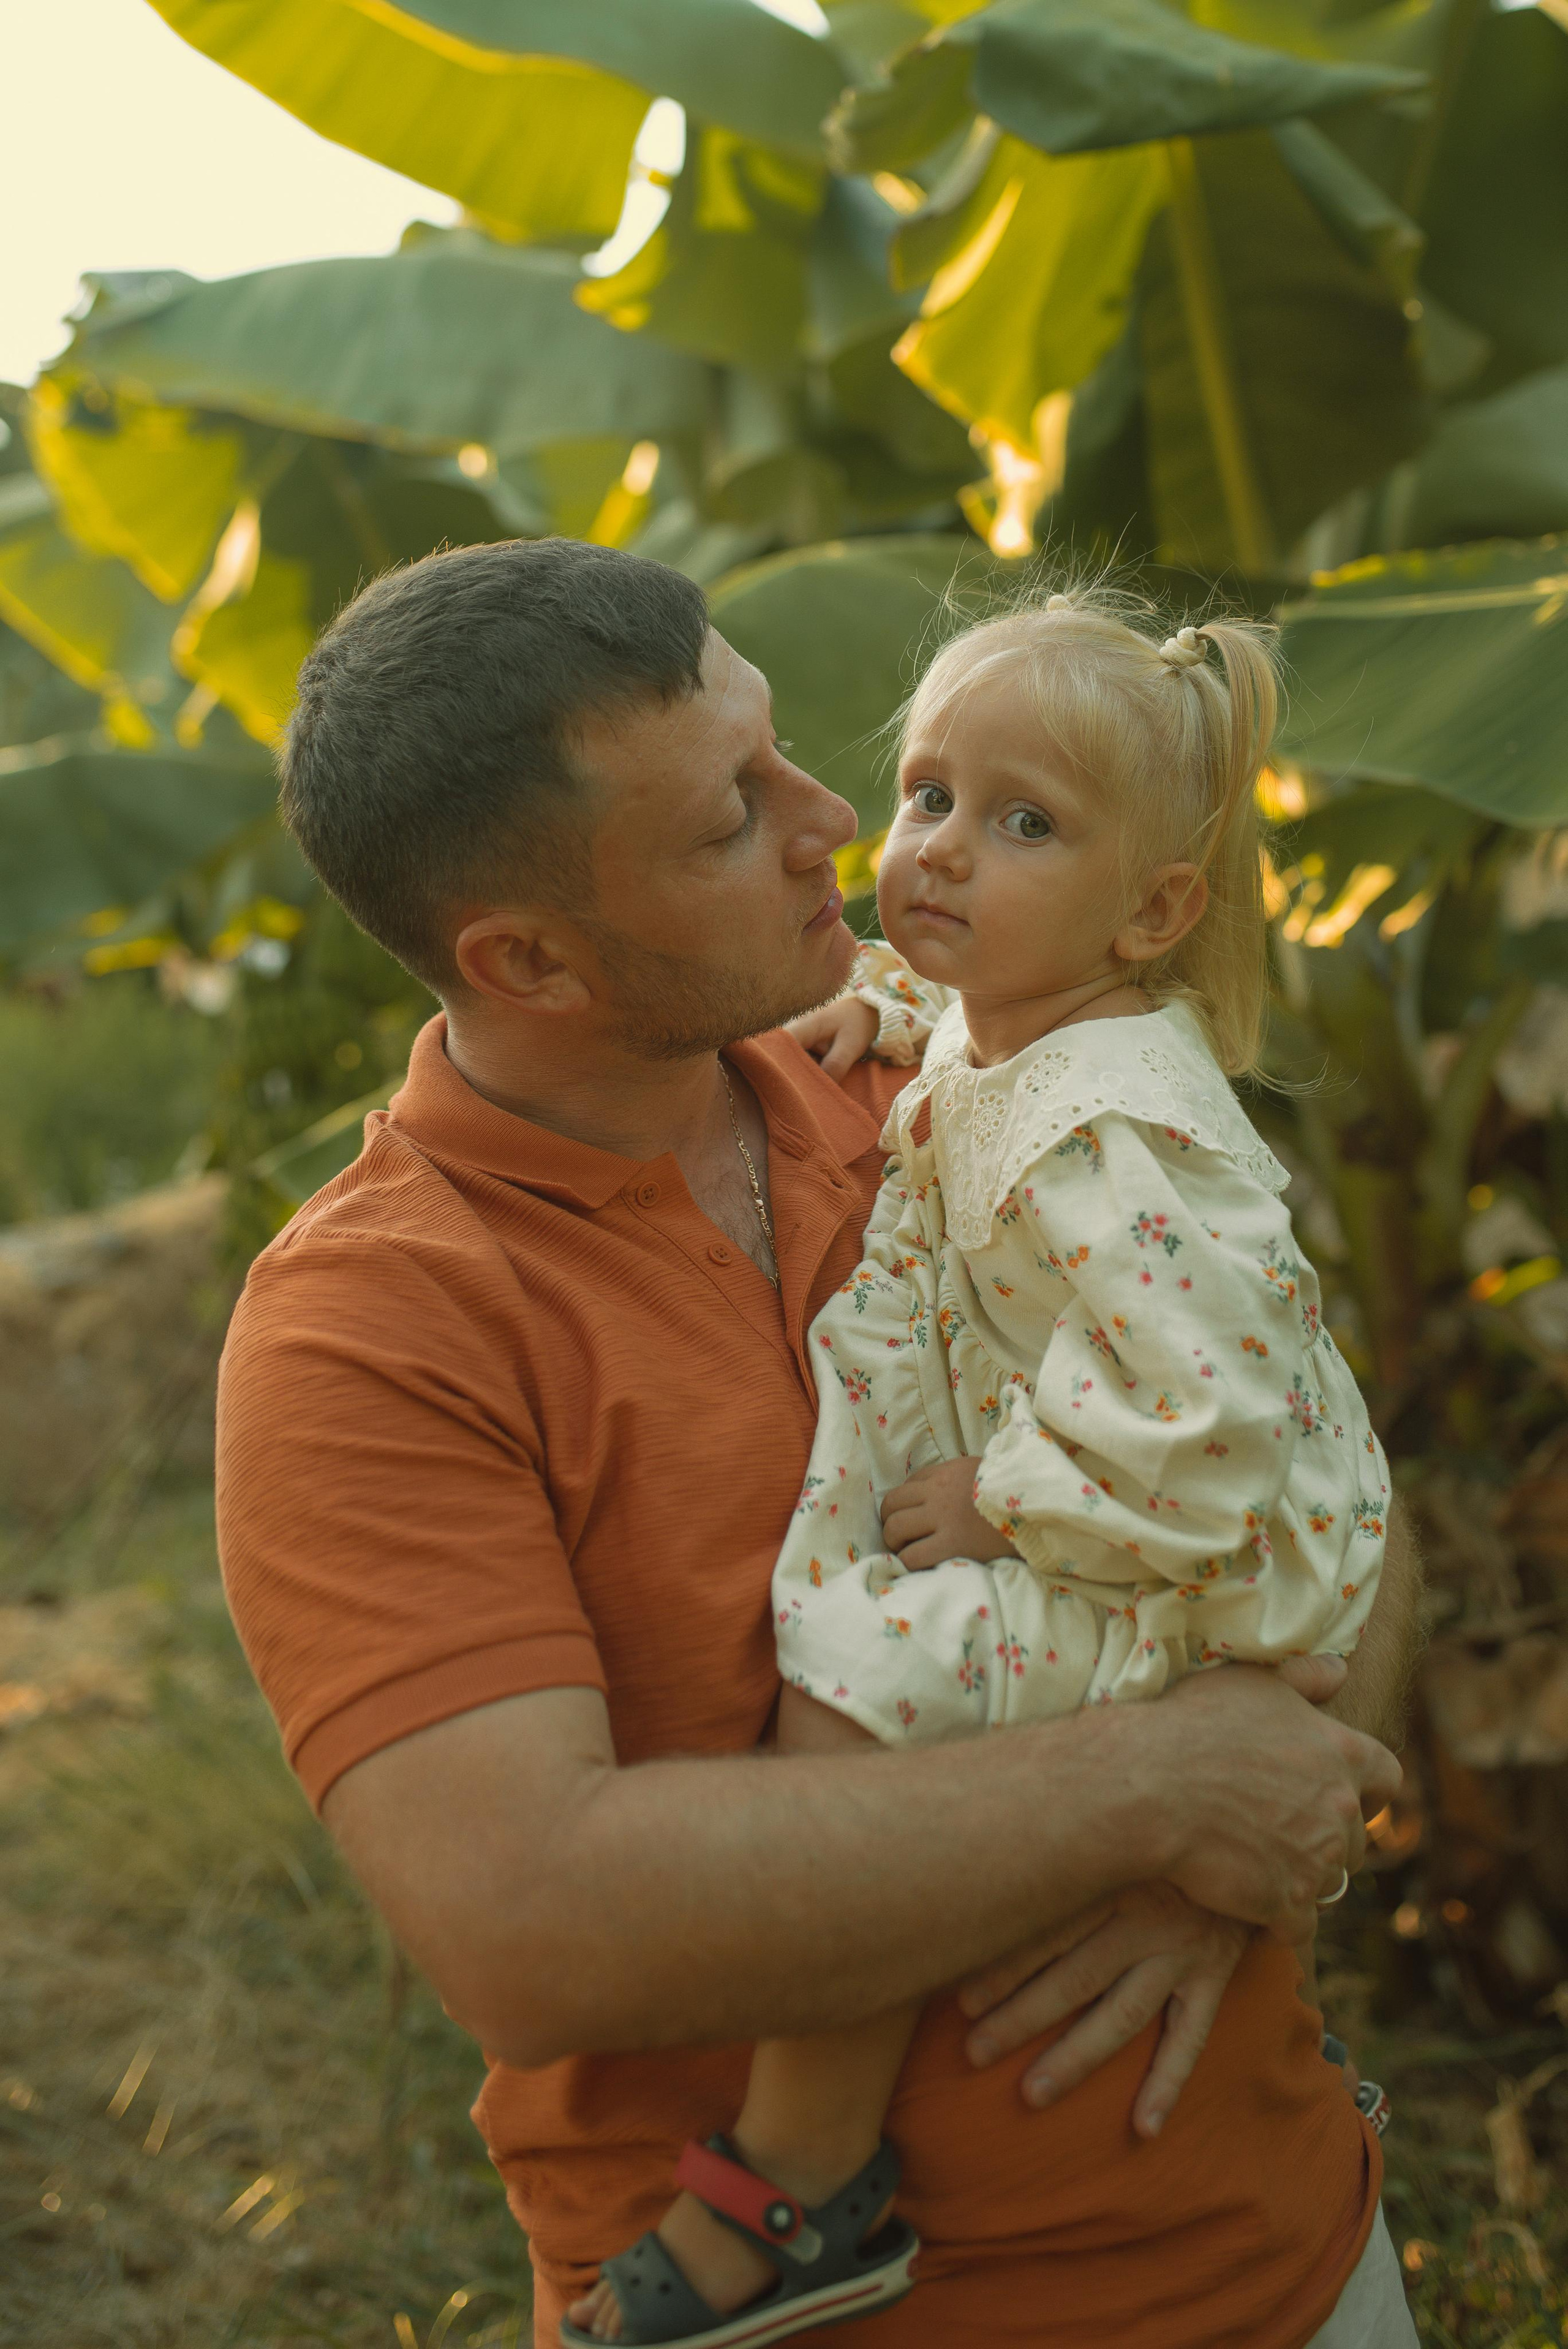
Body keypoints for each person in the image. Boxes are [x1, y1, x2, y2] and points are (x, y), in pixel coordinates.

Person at [215, 538, 1415, 2349]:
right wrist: (1163, 1787)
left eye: (781, 750)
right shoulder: (369, 1331)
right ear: (526, 953)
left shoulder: (968, 1065)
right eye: (729, 822)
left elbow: (1333, 1477)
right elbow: (536, 1920)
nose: (839, 822)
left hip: (1285, 2260)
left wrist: (1255, 1830)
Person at [562, 587, 1400, 2348]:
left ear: (1156, 910)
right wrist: (889, 1008)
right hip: (1198, 1535)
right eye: (933, 793)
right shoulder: (1006, 1021)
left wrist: (1013, 1500)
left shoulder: (1112, 1131)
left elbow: (1225, 1416)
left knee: (870, 1673)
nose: (935, 848)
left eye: (1025, 824)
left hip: (1196, 1562)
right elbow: (965, 1047)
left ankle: (801, 2170)